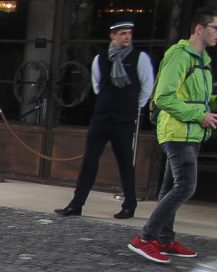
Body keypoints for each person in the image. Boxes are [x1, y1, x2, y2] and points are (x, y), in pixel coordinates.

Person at [128, 6, 217, 263]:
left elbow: (192, 98)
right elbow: (164, 97)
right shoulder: (180, 56)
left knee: (172, 187)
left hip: (192, 132)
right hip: (178, 131)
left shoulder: (202, 60)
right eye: (216, 27)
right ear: (199, 28)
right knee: (185, 186)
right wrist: (200, 115)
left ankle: (164, 240)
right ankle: (145, 239)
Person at [55, 18, 153, 219]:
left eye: (129, 33)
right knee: (89, 160)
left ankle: (129, 204)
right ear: (113, 36)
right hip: (102, 116)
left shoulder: (139, 57)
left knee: (125, 162)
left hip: (124, 118)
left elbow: (147, 86)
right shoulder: (101, 59)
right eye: (123, 33)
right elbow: (98, 86)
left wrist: (133, 107)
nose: (127, 37)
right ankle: (77, 204)